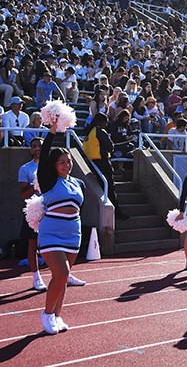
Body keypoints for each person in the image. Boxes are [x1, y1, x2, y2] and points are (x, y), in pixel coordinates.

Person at [36, 121, 86, 334]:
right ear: (54, 165)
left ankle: (57, 315)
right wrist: (52, 131)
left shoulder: (78, 183)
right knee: (62, 272)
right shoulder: (47, 180)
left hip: (73, 233)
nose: (66, 165)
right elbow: (45, 154)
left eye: (69, 161)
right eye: (62, 162)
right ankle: (46, 314)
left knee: (63, 277)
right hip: (51, 232)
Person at [82, 113, 128, 220]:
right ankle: (117, 213)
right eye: (105, 122)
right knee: (110, 188)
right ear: (101, 122)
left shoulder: (89, 132)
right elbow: (110, 146)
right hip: (103, 163)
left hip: (93, 163)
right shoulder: (99, 131)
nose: (106, 125)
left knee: (104, 187)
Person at [18, 137, 47, 291]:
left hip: (51, 208)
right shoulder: (25, 169)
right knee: (32, 243)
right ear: (31, 149)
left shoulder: (51, 166)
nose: (37, 149)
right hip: (34, 210)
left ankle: (64, 274)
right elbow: (23, 194)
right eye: (34, 146)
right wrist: (35, 185)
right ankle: (36, 277)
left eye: (40, 146)